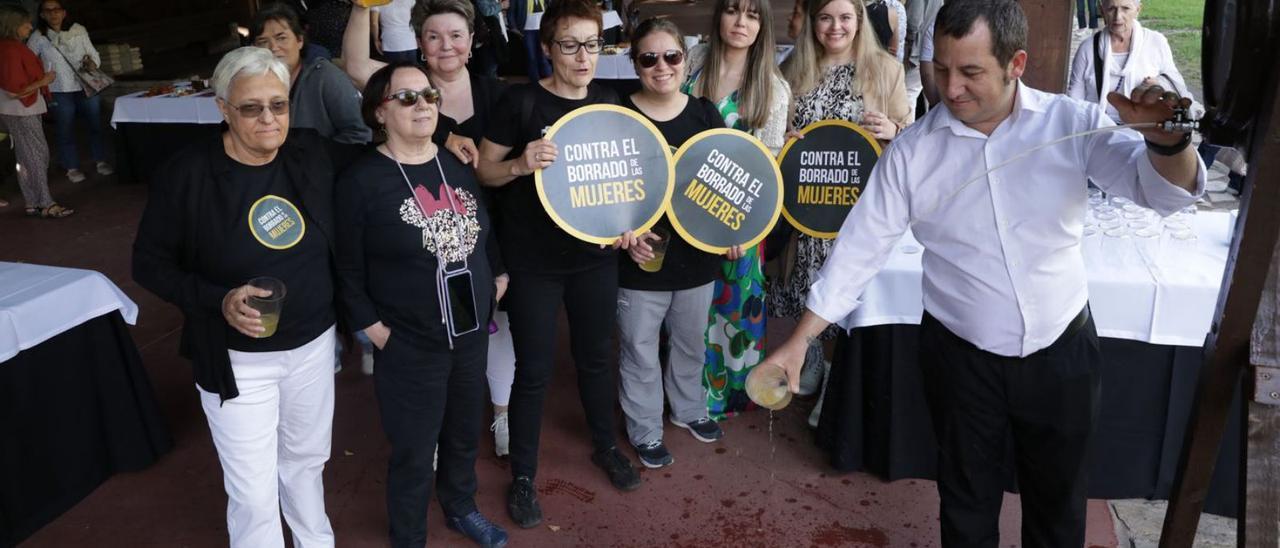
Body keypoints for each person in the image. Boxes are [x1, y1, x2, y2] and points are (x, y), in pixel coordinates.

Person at [765, 1, 1204, 545]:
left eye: (971, 72)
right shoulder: (912, 151)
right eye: (944, 69)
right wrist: (797, 342)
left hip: (1060, 351)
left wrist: (1169, 142)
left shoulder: (1071, 122)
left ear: (1015, 63)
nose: (951, 89)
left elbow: (1167, 194)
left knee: (1059, 501)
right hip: (960, 359)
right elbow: (858, 250)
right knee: (966, 502)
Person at [132, 46, 349, 548]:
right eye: (252, 108)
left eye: (279, 104)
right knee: (252, 489)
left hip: (314, 344)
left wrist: (459, 139)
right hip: (237, 359)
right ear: (223, 108)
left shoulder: (309, 152)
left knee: (307, 460)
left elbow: (381, 146)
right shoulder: (188, 175)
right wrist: (216, 299)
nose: (269, 119)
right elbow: (148, 263)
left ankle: (316, 541)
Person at [475, 0, 642, 529]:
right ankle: (523, 474)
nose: (582, 56)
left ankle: (604, 446)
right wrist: (522, 164)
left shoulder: (610, 101)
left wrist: (629, 222)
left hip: (595, 257)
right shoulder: (519, 103)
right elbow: (483, 171)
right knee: (535, 369)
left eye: (591, 45)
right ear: (547, 49)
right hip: (533, 261)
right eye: (569, 45)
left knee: (596, 358)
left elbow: (627, 178)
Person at [335, 61, 509, 548]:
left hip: (470, 332)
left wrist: (498, 276)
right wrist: (373, 329)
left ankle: (461, 507)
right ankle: (408, 536)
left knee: (460, 435)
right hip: (409, 341)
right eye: (406, 98)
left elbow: (484, 228)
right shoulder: (361, 181)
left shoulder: (456, 163)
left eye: (429, 96)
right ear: (379, 113)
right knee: (414, 449)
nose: (422, 106)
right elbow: (345, 267)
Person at [775, 0, 909, 411]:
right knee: (806, 284)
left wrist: (894, 130)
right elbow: (772, 126)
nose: (835, 27)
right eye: (826, 18)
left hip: (860, 211)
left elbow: (912, 141)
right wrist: (782, 137)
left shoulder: (886, 69)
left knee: (850, 290)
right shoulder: (790, 69)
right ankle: (811, 357)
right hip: (808, 207)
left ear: (859, 21)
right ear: (814, 22)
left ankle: (838, 382)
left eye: (845, 17)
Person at [615, 17, 729, 469]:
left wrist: (734, 233)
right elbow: (604, 189)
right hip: (640, 256)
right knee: (638, 349)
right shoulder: (619, 115)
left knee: (690, 343)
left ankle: (688, 411)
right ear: (636, 65)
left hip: (697, 256)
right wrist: (621, 233)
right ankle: (644, 429)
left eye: (671, 56)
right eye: (649, 58)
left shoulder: (705, 114)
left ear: (685, 58)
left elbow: (726, 183)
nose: (661, 66)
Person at [683, 0, 789, 419]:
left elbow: (768, 172)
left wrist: (743, 232)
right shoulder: (693, 59)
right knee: (685, 308)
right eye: (732, 11)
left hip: (739, 221)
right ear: (719, 16)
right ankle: (685, 391)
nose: (741, 22)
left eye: (751, 14)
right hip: (686, 209)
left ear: (761, 24)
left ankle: (722, 397)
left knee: (730, 310)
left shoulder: (772, 87)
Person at [251, 2, 370, 144]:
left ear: (299, 40)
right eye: (263, 41)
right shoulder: (254, 83)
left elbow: (358, 134)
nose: (273, 48)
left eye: (281, 38)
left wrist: (315, 160)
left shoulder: (326, 77)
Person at [28, 0, 112, 183]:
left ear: (64, 12)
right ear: (42, 15)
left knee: (95, 125)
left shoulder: (78, 30)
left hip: (85, 85)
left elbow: (93, 53)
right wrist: (41, 79)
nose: (53, 14)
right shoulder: (38, 36)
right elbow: (29, 62)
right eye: (48, 11)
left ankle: (101, 160)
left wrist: (93, 63)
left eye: (57, 9)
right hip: (58, 89)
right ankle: (72, 167)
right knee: (65, 129)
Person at [0, 5, 69, 217]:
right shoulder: (12, 49)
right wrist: (44, 80)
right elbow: (15, 90)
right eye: (25, 23)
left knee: (25, 155)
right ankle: (46, 203)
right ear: (13, 26)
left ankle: (32, 201)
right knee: (38, 155)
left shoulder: (5, 47)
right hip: (23, 108)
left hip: (12, 108)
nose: (30, 27)